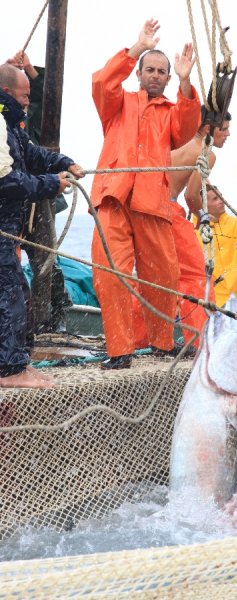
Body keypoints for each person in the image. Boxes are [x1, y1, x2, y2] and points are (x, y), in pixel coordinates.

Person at [91, 19, 200, 369]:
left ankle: (162, 342)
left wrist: (185, 81)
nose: (155, 75)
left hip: (152, 203)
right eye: (149, 69)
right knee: (111, 275)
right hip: (112, 200)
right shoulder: (117, 104)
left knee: (164, 275)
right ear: (138, 73)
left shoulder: (172, 110)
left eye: (162, 72)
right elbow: (102, 81)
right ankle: (120, 350)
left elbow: (187, 130)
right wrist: (136, 47)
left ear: (167, 78)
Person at [0, 63, 83, 388]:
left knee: (18, 290)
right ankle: (9, 370)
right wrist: (51, 184)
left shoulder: (11, 127)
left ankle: (17, 362)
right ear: (8, 93)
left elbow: (30, 154)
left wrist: (64, 163)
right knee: (9, 295)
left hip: (8, 231)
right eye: (24, 97)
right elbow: (7, 181)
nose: (26, 103)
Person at [131, 107, 231, 351]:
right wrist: (202, 218)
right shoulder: (207, 153)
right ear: (208, 129)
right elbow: (191, 196)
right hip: (168, 210)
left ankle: (139, 339)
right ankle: (201, 341)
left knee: (150, 277)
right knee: (195, 276)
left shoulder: (178, 147)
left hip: (144, 209)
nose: (228, 135)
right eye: (224, 129)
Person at [6, 50, 73, 333]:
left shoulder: (24, 117)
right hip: (17, 196)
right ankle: (22, 330)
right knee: (12, 268)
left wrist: (31, 71)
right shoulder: (5, 122)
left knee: (45, 261)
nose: (25, 101)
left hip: (39, 197)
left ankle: (47, 321)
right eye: (22, 94)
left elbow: (48, 101)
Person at [196, 183, 237, 314]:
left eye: (221, 197)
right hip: (211, 302)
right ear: (203, 205)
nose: (221, 201)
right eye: (215, 199)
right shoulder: (194, 231)